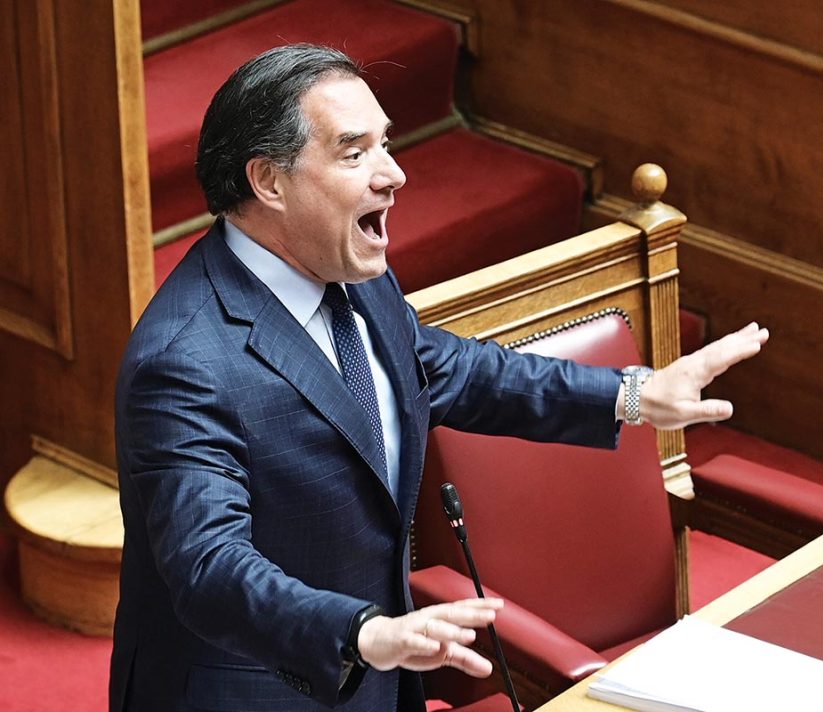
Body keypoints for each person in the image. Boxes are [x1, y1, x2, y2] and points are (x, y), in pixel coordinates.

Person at [109, 44, 769, 712]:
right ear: (269, 182)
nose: (393, 174)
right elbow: (208, 567)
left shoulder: (349, 271)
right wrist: (361, 633)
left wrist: (632, 394)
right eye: (354, 153)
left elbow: (442, 368)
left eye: (386, 145)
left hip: (380, 672)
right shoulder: (184, 362)